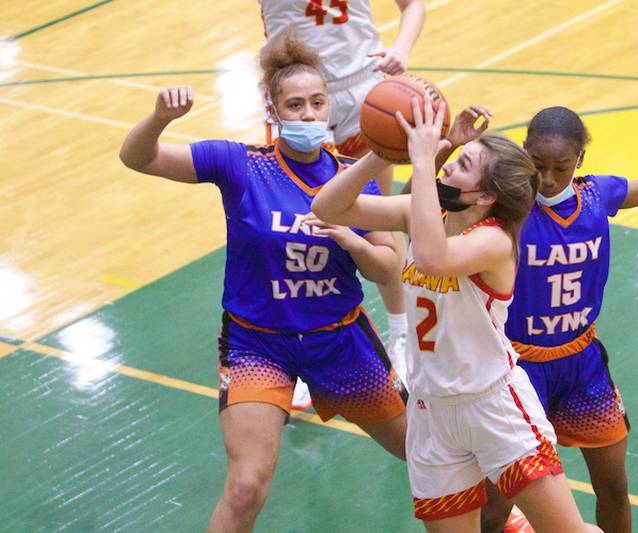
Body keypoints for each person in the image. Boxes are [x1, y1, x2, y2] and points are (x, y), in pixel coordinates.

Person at [119, 30, 408, 532]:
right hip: (258, 346)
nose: (308, 114)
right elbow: (137, 158)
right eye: (294, 105)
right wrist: (160, 118)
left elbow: (389, 269)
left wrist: (351, 239)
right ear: (273, 111)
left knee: (429, 455)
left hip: (339, 341)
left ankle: (507, 517)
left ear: (329, 107)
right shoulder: (241, 165)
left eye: (317, 103)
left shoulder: (350, 179)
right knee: (247, 484)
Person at [312, 94, 601, 533]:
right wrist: (382, 152)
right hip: (431, 412)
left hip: (494, 404)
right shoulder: (424, 213)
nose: (448, 165)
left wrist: (425, 161)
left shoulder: (495, 240)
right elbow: (327, 208)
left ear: (485, 195)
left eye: (462, 165)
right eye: (454, 159)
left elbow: (432, 258)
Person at [476, 74, 638, 533]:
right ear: (523, 155)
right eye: (537, 165)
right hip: (515, 369)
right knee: (494, 502)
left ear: (580, 161)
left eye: (561, 167)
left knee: (612, 487)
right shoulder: (507, 204)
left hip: (582, 363)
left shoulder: (599, 194)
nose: (548, 179)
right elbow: (423, 205)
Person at [260, 0, 427, 398]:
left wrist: (401, 49)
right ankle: (297, 348)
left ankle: (402, 335)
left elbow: (412, 5)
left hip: (363, 84)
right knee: (296, 223)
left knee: (382, 219)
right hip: (297, 93)